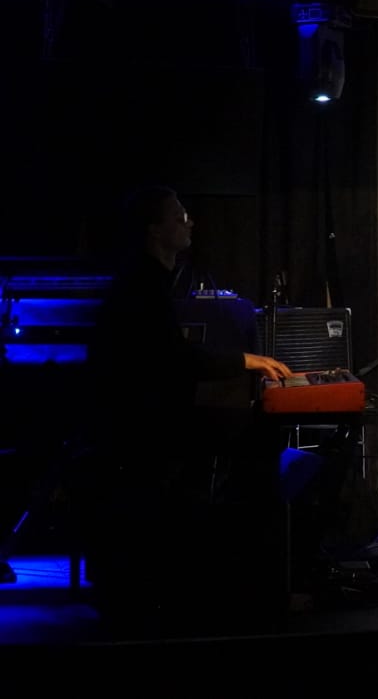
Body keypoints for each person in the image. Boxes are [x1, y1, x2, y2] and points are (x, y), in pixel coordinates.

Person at [85, 185, 293, 631]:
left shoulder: (152, 281)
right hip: (141, 427)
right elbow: (172, 360)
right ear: (154, 230)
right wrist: (246, 360)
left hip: (150, 419)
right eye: (179, 217)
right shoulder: (141, 286)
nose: (190, 222)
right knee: (249, 446)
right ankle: (235, 586)